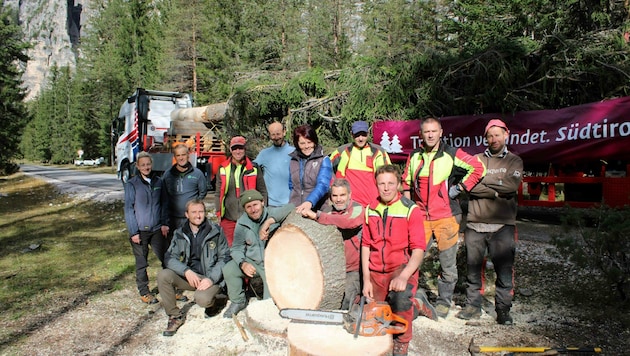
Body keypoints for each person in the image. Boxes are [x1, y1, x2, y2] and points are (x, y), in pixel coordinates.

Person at [402, 117, 485, 318]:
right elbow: (405, 182)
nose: (430, 135)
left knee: (447, 263)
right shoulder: (414, 156)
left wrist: (459, 188)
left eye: (434, 131)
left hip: (447, 217)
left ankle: (443, 302)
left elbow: (479, 167)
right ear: (421, 134)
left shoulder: (451, 153)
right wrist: (408, 207)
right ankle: (407, 298)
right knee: (411, 258)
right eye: (426, 131)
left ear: (441, 132)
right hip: (421, 217)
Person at [455, 119, 523, 325]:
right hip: (475, 224)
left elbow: (511, 186)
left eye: (497, 135)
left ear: (506, 135)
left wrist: (481, 179)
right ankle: (473, 306)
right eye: (490, 135)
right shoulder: (475, 159)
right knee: (473, 270)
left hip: (503, 225)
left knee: (504, 270)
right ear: (485, 138)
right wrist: (495, 190)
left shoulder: (514, 161)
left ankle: (503, 310)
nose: (494, 139)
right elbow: (467, 186)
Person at [362, 165, 426, 356]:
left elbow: (418, 250)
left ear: (398, 185)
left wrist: (404, 276)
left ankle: (402, 341)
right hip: (375, 272)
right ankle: (418, 305)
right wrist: (366, 279)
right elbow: (366, 245)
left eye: (391, 183)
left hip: (400, 268)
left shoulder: (410, 210)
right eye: (382, 184)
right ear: (376, 185)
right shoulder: (370, 209)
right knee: (375, 318)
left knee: (400, 302)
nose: (386, 188)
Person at [157, 199, 229, 336]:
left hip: (210, 278)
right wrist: (186, 271)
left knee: (202, 299)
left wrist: (211, 279)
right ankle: (175, 316)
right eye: (194, 212)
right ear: (186, 214)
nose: (198, 215)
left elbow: (225, 257)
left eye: (201, 211)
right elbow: (169, 258)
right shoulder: (180, 233)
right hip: (191, 277)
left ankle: (218, 297)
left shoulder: (216, 231)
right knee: (164, 275)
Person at [222, 190, 294, 318]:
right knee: (229, 269)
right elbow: (236, 248)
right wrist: (242, 263)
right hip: (253, 261)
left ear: (262, 202)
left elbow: (291, 207)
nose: (253, 209)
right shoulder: (242, 222)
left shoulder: (272, 213)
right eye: (248, 207)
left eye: (255, 204)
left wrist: (268, 223)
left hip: (272, 264)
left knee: (267, 306)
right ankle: (238, 301)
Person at [300, 178, 363, 309]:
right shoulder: (328, 211)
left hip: (354, 269)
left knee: (347, 298)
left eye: (342, 195)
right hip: (332, 269)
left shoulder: (358, 209)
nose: (338, 199)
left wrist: (318, 216)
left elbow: (348, 222)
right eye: (335, 195)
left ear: (350, 195)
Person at [123, 152, 170, 304]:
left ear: (152, 164)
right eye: (142, 165)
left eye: (148, 164)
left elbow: (164, 204)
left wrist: (164, 223)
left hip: (157, 228)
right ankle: (144, 292)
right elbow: (129, 208)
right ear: (137, 166)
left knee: (167, 259)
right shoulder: (132, 184)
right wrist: (133, 231)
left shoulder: (158, 182)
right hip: (140, 231)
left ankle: (171, 288)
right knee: (142, 262)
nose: (146, 167)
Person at [215, 136, 267, 246]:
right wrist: (218, 212)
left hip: (250, 218)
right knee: (230, 249)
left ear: (245, 149)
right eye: (235, 148)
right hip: (229, 218)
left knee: (251, 248)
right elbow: (218, 193)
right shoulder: (223, 168)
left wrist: (263, 210)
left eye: (240, 148)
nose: (238, 151)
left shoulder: (254, 168)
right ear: (230, 150)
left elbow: (262, 191)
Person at [329, 120, 391, 206]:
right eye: (357, 135)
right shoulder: (342, 151)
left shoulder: (378, 151)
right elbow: (325, 168)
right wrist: (333, 187)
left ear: (368, 134)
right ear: (352, 134)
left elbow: (390, 177)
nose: (361, 138)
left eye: (363, 134)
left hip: (373, 204)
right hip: (349, 205)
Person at [162, 144, 208, 231]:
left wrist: (194, 207)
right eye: (178, 155)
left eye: (183, 155)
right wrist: (164, 221)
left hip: (191, 219)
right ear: (174, 157)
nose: (181, 158)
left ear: (188, 155)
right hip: (172, 219)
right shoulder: (168, 174)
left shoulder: (197, 174)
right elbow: (164, 197)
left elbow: (203, 192)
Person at [289, 124, 332, 214]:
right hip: (296, 208)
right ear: (297, 144)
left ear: (314, 142)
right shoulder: (293, 161)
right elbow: (291, 186)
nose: (306, 146)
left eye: (309, 142)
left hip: (318, 209)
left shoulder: (324, 160)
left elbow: (323, 185)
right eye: (302, 143)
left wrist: (310, 202)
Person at [254, 122, 294, 207]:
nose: (276, 137)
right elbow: (250, 168)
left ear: (284, 132)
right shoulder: (264, 154)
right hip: (270, 204)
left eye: (278, 134)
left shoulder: (294, 152)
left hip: (290, 204)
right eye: (273, 134)